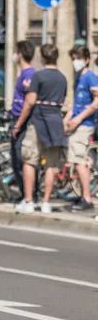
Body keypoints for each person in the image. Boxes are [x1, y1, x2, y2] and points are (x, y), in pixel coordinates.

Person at [13, 44, 67, 214]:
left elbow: (29, 102)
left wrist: (18, 124)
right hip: (56, 122)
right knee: (51, 164)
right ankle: (45, 202)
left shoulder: (38, 76)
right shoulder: (62, 78)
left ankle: (29, 201)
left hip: (38, 121)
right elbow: (62, 100)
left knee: (29, 160)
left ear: (42, 58)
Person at [63, 45, 98, 211]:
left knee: (79, 162)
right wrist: (68, 116)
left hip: (84, 125)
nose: (75, 62)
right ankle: (83, 195)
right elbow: (77, 104)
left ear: (86, 60)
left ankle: (86, 198)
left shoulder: (90, 77)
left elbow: (96, 102)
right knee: (78, 161)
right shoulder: (78, 78)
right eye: (74, 58)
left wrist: (78, 118)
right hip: (78, 124)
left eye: (78, 58)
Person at [10, 41, 36, 201]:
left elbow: (29, 102)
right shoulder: (25, 73)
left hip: (23, 122)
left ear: (20, 54)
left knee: (21, 159)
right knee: (17, 159)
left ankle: (29, 194)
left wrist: (18, 124)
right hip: (18, 118)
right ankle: (24, 193)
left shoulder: (28, 74)